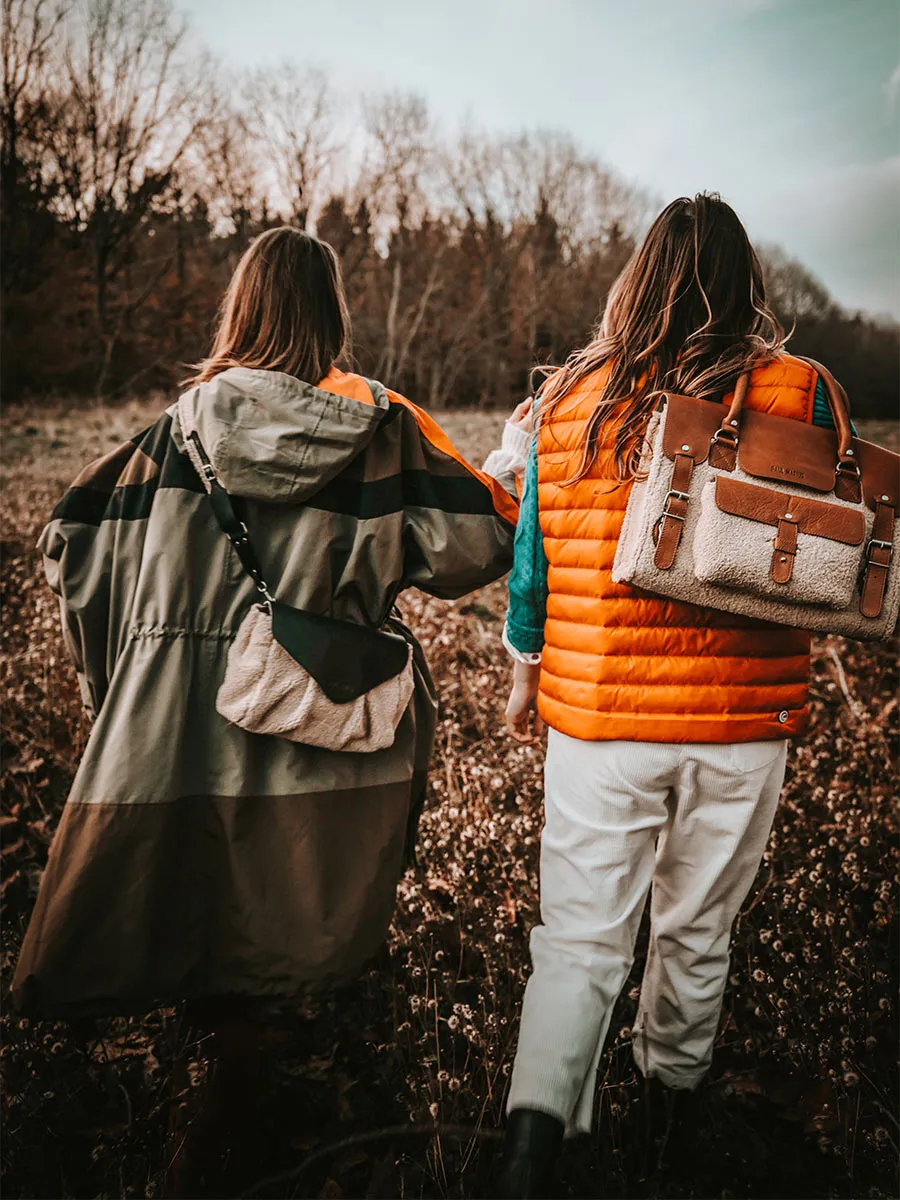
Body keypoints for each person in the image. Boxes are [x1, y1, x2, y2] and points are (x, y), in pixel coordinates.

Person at [11, 226, 526, 1192]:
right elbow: (479, 544)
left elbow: (71, 549)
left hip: (175, 713)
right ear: (330, 316)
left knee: (195, 884)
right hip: (317, 716)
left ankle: (206, 1095)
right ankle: (235, 1091)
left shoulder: (172, 434)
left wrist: (115, 681)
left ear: (238, 309)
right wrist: (514, 456)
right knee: (279, 897)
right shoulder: (385, 429)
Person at [497, 194, 850, 1197]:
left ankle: (533, 1158)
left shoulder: (569, 395)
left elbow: (534, 566)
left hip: (600, 717)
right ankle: (667, 1135)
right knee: (697, 934)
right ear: (747, 282)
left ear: (636, 274)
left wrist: (527, 671)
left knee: (577, 943)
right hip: (743, 726)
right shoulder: (803, 389)